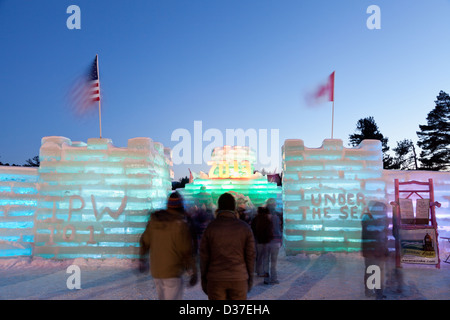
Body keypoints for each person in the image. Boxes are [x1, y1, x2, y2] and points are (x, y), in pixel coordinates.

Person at [139, 191, 197, 300]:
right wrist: (192, 270)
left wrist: (142, 259)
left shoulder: (155, 221)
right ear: (180, 206)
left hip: (157, 271)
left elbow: (144, 241)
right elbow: (186, 250)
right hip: (172, 271)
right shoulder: (180, 225)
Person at [200, 192, 256, 300]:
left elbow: (204, 257)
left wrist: (204, 279)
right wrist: (249, 278)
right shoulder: (244, 228)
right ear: (233, 207)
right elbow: (250, 255)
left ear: (219, 207)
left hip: (216, 278)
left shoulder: (211, 228)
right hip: (238, 277)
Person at [361, 201, 389, 300]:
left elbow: (384, 234)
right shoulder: (367, 218)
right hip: (370, 251)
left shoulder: (382, 219)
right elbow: (374, 230)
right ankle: (369, 291)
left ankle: (379, 293)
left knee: (379, 272)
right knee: (371, 271)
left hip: (380, 250)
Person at [264, 198, 282, 285]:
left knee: (266, 260)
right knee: (273, 261)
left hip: (266, 241)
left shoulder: (262, 215)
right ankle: (273, 278)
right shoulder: (277, 215)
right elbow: (278, 229)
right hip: (275, 241)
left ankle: (266, 278)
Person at [251, 206, 273, 277]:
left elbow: (253, 229)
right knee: (265, 257)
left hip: (258, 240)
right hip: (266, 241)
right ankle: (265, 271)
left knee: (259, 257)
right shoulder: (267, 219)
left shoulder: (255, 219)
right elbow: (270, 230)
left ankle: (258, 271)